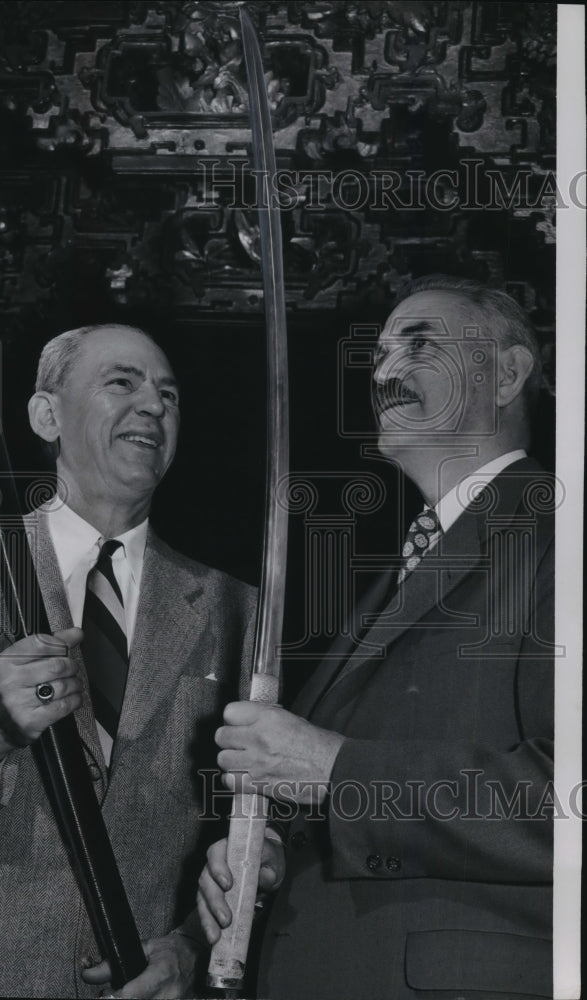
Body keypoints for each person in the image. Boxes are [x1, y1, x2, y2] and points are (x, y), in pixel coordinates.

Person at [197, 276, 555, 999]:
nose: (384, 371)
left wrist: (336, 774)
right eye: (379, 354)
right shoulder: (407, 563)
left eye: (418, 344)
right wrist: (278, 849)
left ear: (509, 374)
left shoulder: (559, 535)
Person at [0, 323, 257, 997]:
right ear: (45, 414)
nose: (153, 405)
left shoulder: (239, 609)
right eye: (122, 382)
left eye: (168, 394)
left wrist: (189, 949)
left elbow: (253, 836)